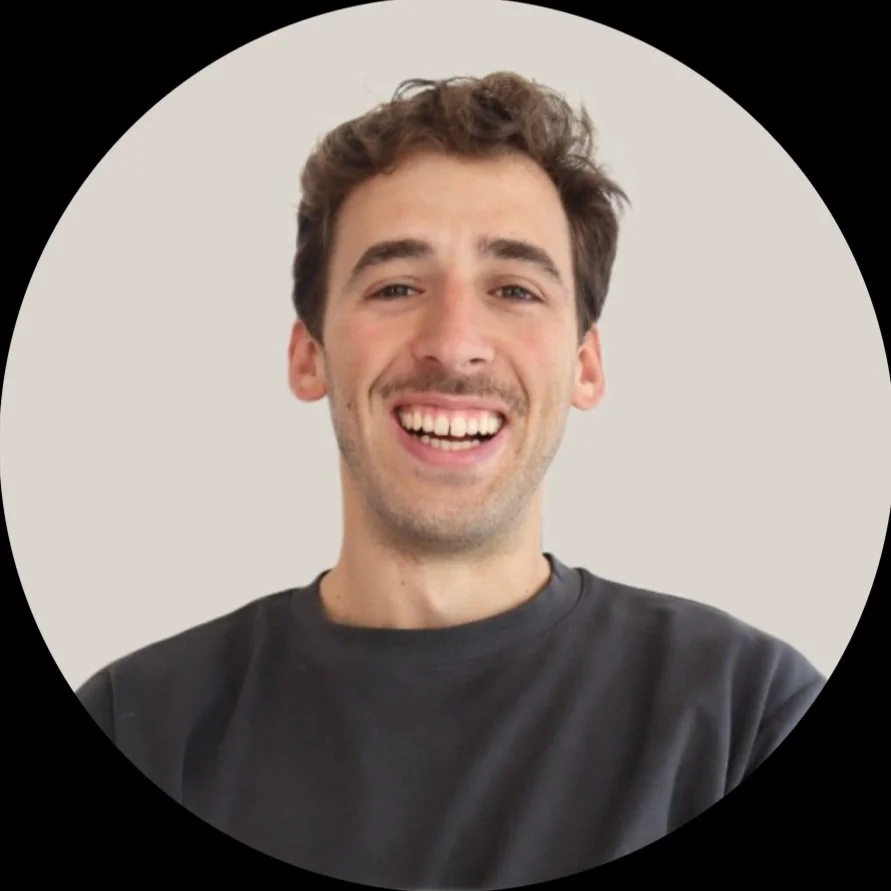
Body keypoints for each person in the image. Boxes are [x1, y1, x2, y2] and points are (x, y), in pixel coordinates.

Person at [77, 72, 825, 888]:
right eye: (397, 286)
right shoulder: (140, 730)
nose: (454, 341)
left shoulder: (746, 720)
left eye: (514, 289)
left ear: (584, 365)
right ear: (308, 355)